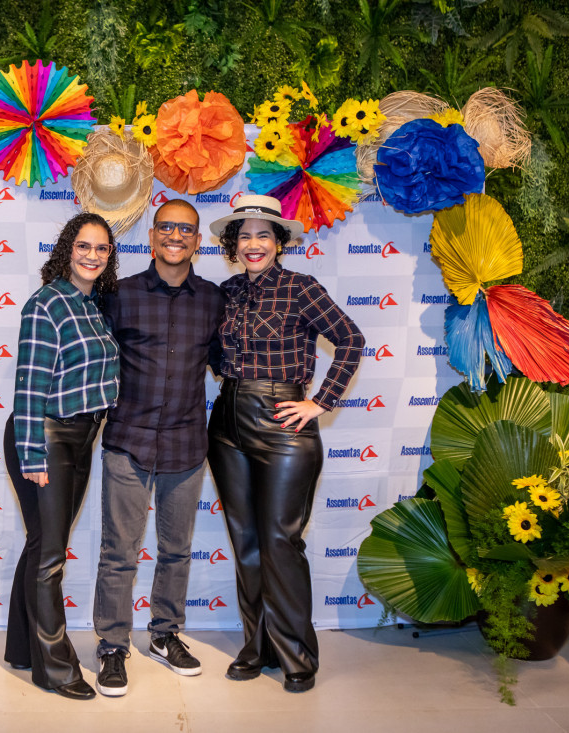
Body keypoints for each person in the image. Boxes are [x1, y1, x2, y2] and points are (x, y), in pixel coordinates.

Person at [206, 195, 365, 693]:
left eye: (263, 235)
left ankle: (296, 653)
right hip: (226, 422)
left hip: (283, 422)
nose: (253, 244)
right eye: (244, 236)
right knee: (246, 542)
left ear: (279, 242)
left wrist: (320, 403)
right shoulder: (226, 292)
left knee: (280, 541)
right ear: (233, 244)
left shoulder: (301, 288)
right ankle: (257, 647)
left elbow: (351, 339)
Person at [91, 199, 226, 697]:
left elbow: (225, 361)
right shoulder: (119, 295)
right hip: (128, 440)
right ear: (151, 237)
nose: (175, 236)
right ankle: (112, 646)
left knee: (176, 550)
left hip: (186, 444)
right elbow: (92, 357)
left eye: (185, 229)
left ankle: (165, 634)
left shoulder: (212, 299)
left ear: (197, 241)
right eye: (166, 227)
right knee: (119, 552)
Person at [3, 212, 120, 700]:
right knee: (51, 556)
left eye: (102, 248)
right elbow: (29, 387)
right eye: (83, 246)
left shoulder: (94, 307)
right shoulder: (46, 304)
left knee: (41, 545)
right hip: (45, 438)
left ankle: (22, 647)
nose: (92, 255)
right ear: (67, 249)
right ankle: (54, 667)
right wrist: (32, 455)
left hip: (80, 438)